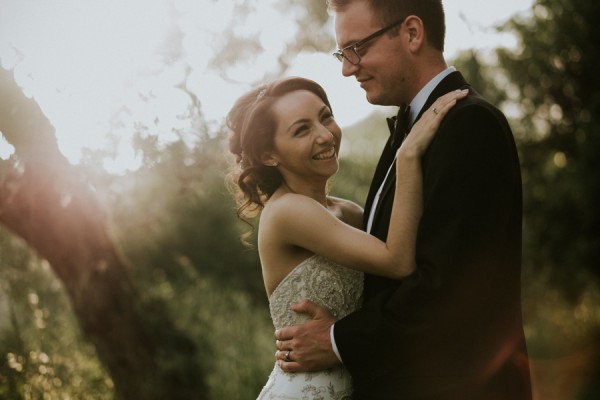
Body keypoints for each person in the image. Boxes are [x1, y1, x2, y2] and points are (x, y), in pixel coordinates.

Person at [273, 1, 533, 399]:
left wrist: (338, 339)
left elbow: (449, 290)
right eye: (342, 54)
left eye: (357, 48)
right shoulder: (414, 131)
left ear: (412, 33)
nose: (347, 68)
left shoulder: (468, 126)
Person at [226, 76, 466, 399]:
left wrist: (337, 332)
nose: (326, 135)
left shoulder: (349, 213)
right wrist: (407, 156)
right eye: (302, 130)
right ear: (270, 155)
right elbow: (397, 261)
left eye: (325, 117)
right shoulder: (286, 212)